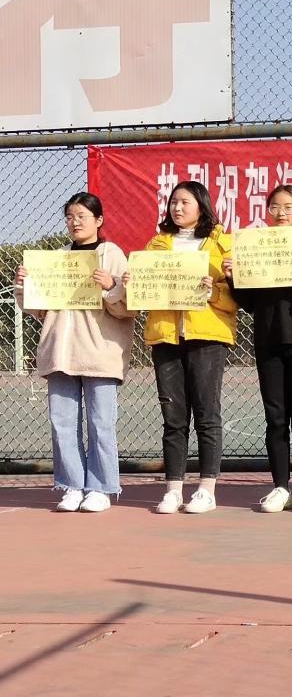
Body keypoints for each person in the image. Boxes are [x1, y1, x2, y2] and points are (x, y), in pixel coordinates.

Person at [15, 193, 135, 512]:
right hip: (60, 352)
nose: (75, 222)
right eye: (70, 216)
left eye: (82, 216)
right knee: (62, 422)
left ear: (99, 220)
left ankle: (101, 488)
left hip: (99, 353)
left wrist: (110, 286)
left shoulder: (111, 255)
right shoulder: (58, 258)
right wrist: (25, 286)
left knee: (101, 423)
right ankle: (71, 485)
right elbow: (39, 309)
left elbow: (129, 308)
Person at [124, 180, 237, 515]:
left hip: (208, 336)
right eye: (173, 202)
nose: (177, 207)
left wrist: (214, 292)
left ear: (202, 205)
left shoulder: (222, 243)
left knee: (206, 414)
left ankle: (206, 489)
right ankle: (173, 489)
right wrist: (133, 284)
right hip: (167, 337)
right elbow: (142, 294)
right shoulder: (157, 244)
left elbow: (239, 297)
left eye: (185, 201)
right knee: (173, 417)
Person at [223, 185, 292, 514]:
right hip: (268, 340)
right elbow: (249, 303)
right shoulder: (257, 247)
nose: (281, 213)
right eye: (274, 207)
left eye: (288, 207)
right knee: (275, 417)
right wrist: (232, 277)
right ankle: (279, 487)